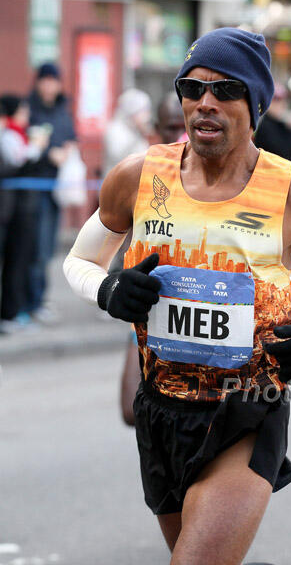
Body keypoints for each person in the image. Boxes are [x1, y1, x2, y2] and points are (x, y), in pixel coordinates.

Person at [64, 28, 291, 565]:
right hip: (162, 408)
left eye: (226, 90)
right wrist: (108, 289)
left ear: (255, 104)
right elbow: (79, 261)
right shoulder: (137, 178)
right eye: (191, 89)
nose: (205, 102)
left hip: (247, 409)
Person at [120, 91, 186, 426]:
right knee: (132, 410)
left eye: (184, 127)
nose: (179, 136)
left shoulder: (218, 174)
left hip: (205, 316)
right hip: (152, 311)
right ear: (157, 131)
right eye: (171, 128)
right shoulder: (140, 174)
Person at [26, 62, 77, 323]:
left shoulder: (62, 110)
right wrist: (48, 153)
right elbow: (27, 145)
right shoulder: (29, 109)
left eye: (53, 80)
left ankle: (40, 299)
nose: (49, 85)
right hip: (33, 188)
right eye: (45, 80)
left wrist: (67, 150)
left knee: (47, 247)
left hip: (58, 189)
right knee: (33, 247)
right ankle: (31, 301)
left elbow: (71, 138)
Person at [0, 95, 49, 331]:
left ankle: (16, 311)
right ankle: (9, 314)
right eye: (23, 111)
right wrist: (36, 147)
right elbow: (18, 160)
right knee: (14, 262)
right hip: (12, 210)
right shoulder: (9, 136)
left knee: (21, 260)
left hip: (20, 209)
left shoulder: (16, 134)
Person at [103, 88, 152, 178]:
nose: (146, 116)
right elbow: (118, 157)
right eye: (143, 111)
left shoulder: (137, 131)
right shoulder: (115, 129)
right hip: (117, 182)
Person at [254, 82, 291, 161]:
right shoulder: (266, 127)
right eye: (277, 101)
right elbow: (284, 153)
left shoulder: (276, 123)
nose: (282, 105)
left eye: (283, 100)